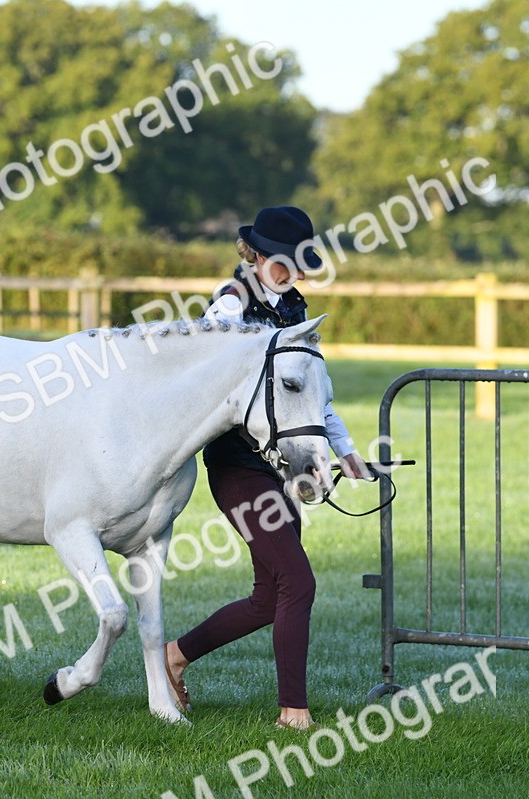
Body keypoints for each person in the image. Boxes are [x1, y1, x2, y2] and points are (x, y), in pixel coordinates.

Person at [164, 206, 370, 731]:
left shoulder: (296, 307)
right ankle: (293, 713)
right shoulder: (230, 305)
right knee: (298, 582)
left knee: (268, 598)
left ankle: (174, 656)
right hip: (237, 466)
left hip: (278, 465)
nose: (292, 273)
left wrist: (344, 449)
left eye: (299, 264)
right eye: (283, 262)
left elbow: (309, 393)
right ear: (254, 255)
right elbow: (203, 377)